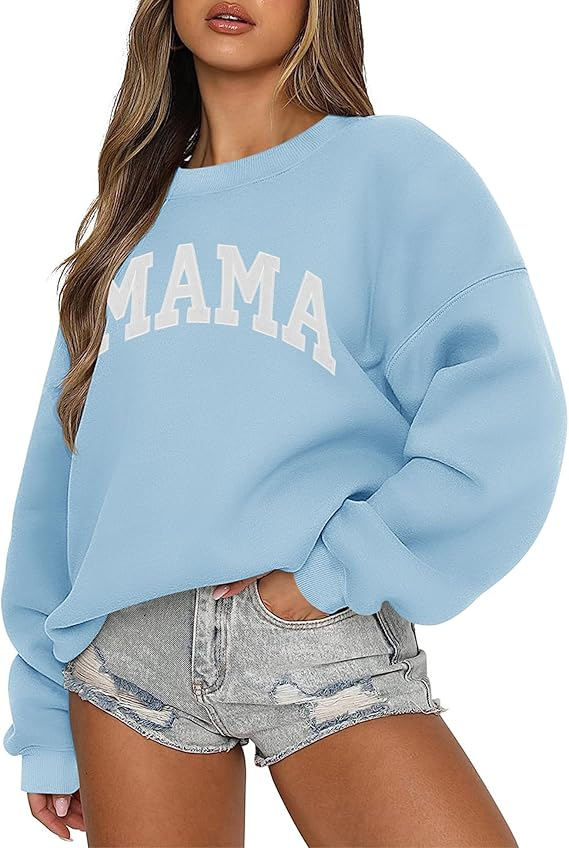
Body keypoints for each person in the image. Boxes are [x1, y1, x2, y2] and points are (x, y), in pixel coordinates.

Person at [1, 1, 566, 845]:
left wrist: (333, 575)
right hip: (126, 665)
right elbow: (62, 478)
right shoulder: (128, 219)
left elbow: (505, 413)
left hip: (310, 632)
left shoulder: (392, 170)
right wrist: (45, 709)